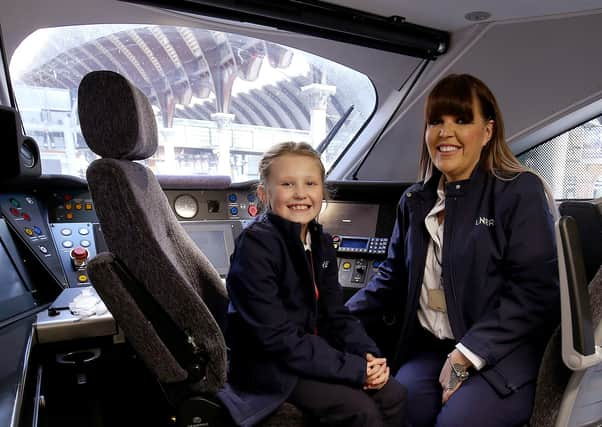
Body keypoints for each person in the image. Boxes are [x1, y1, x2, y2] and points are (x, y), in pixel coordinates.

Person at [346, 74, 560, 427]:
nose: (445, 132)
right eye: (436, 122)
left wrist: (467, 354)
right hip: (433, 350)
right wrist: (335, 320)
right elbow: (391, 278)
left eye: (461, 120)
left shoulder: (519, 192)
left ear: (487, 132)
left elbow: (535, 292)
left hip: (502, 353)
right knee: (393, 409)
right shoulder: (415, 200)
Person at [218, 142, 407, 427]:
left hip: (307, 356)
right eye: (287, 184)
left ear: (322, 191)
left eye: (310, 183)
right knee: (360, 410)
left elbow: (336, 314)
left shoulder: (319, 241)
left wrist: (368, 356)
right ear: (263, 194)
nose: (300, 194)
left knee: (393, 393)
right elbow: (277, 337)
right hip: (270, 367)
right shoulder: (256, 246)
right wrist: (354, 370)